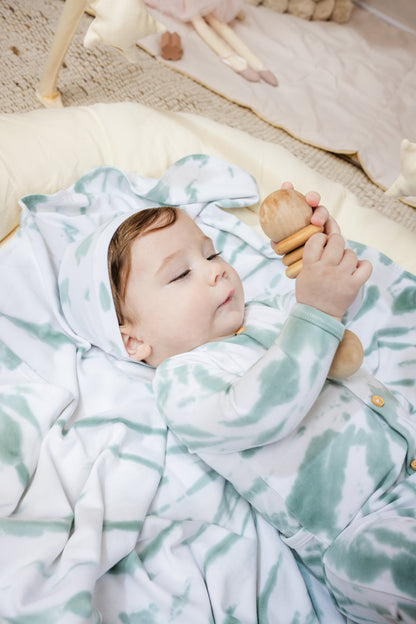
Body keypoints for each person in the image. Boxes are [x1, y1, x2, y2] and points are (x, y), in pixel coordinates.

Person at [73, 185, 416, 624]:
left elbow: (339, 329)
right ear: (134, 340)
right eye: (181, 275)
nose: (216, 272)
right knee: (388, 568)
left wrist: (326, 263)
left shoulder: (267, 312)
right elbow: (261, 410)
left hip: (406, 455)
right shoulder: (183, 382)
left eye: (212, 256)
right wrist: (316, 311)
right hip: (362, 528)